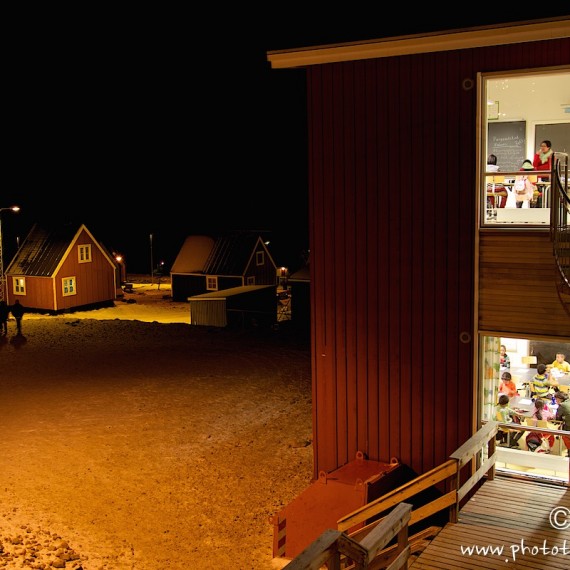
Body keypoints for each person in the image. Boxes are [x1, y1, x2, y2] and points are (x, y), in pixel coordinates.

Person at [532, 140, 553, 207]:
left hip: (547, 177)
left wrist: (540, 167)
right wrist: (537, 155)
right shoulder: (539, 155)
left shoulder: (551, 155)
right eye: (541, 146)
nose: (542, 148)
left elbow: (549, 167)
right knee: (538, 194)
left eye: (544, 146)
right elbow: (534, 164)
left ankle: (545, 207)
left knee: (546, 194)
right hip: (539, 177)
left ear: (548, 147)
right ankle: (538, 208)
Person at [554, 391, 570, 457]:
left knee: (563, 433)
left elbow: (557, 419)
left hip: (568, 426)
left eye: (556, 399)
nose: (555, 401)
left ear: (559, 399)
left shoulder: (562, 405)